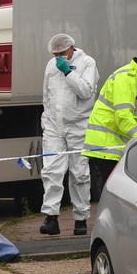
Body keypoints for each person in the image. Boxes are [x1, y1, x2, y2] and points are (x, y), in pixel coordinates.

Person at [83, 43, 137, 196]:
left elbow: (135, 116)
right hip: (107, 147)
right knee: (116, 195)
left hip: (117, 145)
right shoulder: (126, 78)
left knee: (120, 194)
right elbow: (123, 116)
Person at [39, 34, 99, 236]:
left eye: (62, 53)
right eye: (55, 54)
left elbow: (85, 91)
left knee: (79, 173)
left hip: (79, 126)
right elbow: (47, 96)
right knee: (51, 171)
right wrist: (47, 122)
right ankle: (51, 218)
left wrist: (68, 73)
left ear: (72, 48)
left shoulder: (87, 63)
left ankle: (81, 219)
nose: (59, 58)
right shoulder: (51, 65)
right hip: (54, 127)